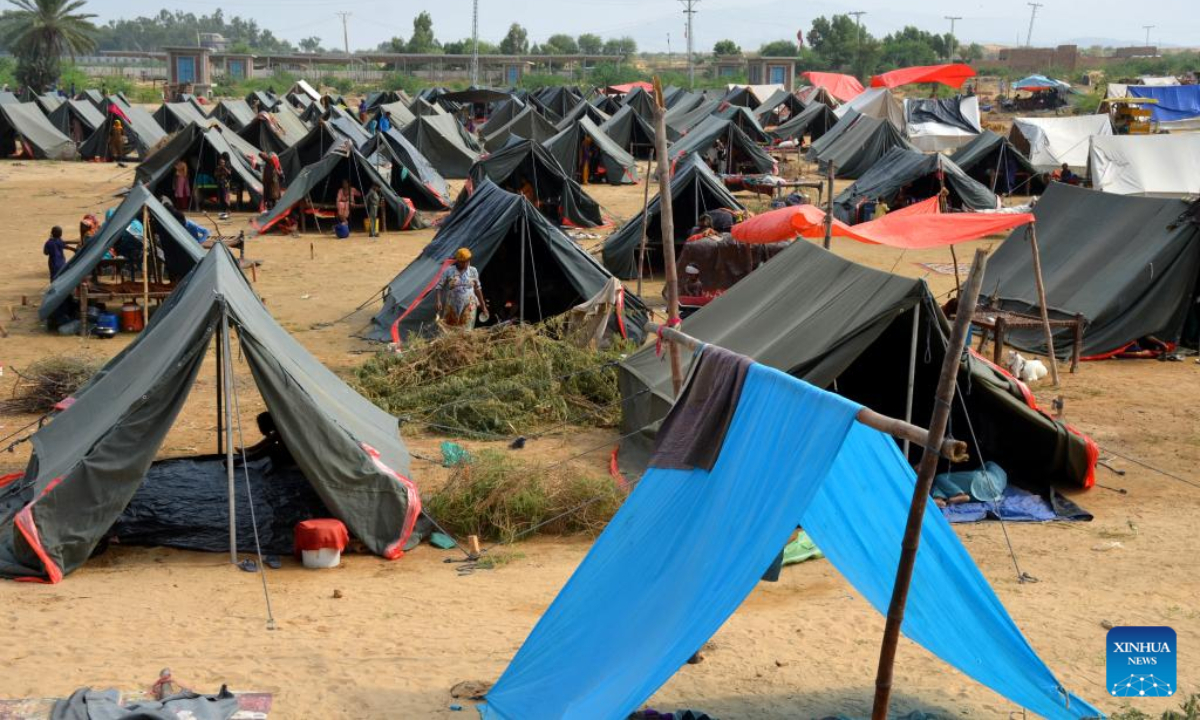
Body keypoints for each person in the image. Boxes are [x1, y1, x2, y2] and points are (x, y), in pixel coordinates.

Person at [436, 248, 488, 330]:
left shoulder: (473, 271)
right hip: (452, 306)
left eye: (467, 261)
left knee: (466, 329)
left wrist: (483, 305)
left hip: (469, 306)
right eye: (462, 262)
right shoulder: (449, 271)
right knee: (449, 329)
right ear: (457, 260)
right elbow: (439, 287)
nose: (465, 264)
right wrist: (438, 301)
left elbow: (478, 288)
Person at [214, 153, 233, 220]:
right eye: (221, 162)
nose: (222, 163)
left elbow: (229, 173)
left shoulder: (227, 166)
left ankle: (228, 209)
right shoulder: (218, 168)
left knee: (226, 197)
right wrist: (220, 171)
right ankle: (223, 210)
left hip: (226, 184)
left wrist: (224, 168)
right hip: (220, 183)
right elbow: (215, 174)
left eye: (223, 162)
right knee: (221, 197)